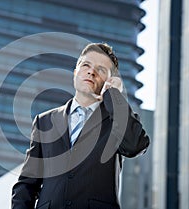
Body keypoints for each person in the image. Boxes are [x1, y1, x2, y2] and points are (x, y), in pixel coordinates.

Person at [11, 43, 150, 209]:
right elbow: (27, 184)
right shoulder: (45, 121)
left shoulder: (118, 119)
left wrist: (114, 95)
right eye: (86, 65)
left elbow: (134, 146)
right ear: (75, 73)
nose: (91, 71)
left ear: (108, 81)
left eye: (101, 70)